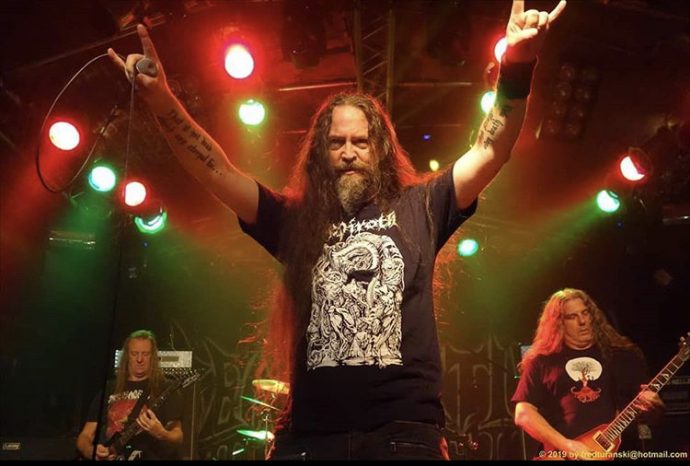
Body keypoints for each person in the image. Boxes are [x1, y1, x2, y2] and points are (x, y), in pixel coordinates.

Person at [108, 0, 566, 460]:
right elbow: (217, 171)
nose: (348, 152)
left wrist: (518, 65)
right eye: (336, 142)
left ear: (379, 148)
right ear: (321, 153)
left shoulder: (422, 206)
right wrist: (162, 100)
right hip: (312, 436)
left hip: (402, 433)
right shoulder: (295, 220)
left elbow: (490, 150)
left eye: (360, 142)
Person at [512, 288, 665, 460]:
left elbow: (649, 416)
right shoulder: (542, 361)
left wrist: (655, 407)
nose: (582, 321)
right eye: (572, 316)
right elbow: (523, 413)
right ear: (558, 323)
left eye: (585, 313)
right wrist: (568, 445)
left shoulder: (624, 356)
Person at [76, 330, 183, 460]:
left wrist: (162, 433)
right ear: (127, 356)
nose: (139, 359)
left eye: (145, 354)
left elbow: (178, 435)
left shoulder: (166, 388)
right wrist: (92, 452)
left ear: (153, 357)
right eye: (134, 353)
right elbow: (85, 436)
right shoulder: (110, 388)